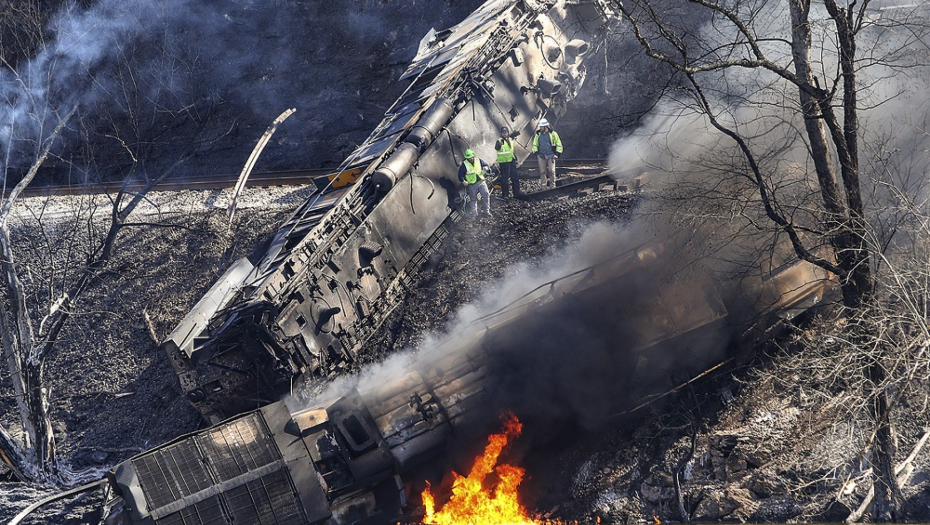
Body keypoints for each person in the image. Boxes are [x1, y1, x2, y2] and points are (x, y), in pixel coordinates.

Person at [458, 148, 491, 218]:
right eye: (469, 158)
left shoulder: (478, 160)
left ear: (473, 155)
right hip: (472, 184)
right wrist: (463, 181)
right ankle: (474, 214)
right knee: (473, 199)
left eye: (471, 157)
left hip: (481, 181)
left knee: (486, 194)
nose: (470, 159)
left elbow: (486, 165)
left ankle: (486, 211)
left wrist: (486, 167)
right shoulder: (464, 165)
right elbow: (460, 175)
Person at [531, 118, 563, 189]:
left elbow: (559, 144)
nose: (540, 128)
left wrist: (557, 154)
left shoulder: (553, 134)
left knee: (551, 171)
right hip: (541, 156)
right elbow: (534, 145)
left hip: (551, 155)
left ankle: (552, 187)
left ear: (545, 126)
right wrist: (536, 153)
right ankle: (544, 188)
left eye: (541, 127)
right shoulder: (538, 134)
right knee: (542, 172)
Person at [495, 126, 520, 198]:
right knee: (505, 179)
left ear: (508, 133)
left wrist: (517, 133)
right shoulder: (499, 141)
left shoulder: (510, 139)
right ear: (501, 133)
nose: (504, 134)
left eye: (506, 132)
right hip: (504, 162)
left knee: (515, 177)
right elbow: (496, 147)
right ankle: (505, 195)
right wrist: (499, 145)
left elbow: (512, 137)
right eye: (503, 133)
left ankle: (516, 194)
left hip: (511, 160)